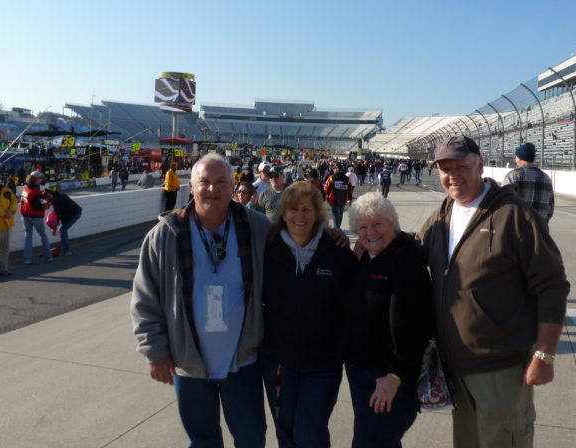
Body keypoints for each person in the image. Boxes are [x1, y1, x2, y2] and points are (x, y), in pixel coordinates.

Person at [418, 136, 569, 448]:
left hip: (501, 368)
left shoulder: (514, 215)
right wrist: (368, 237)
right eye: (445, 168)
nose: (452, 174)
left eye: (461, 166)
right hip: (457, 365)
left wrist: (545, 354)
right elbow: (412, 251)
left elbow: (552, 285)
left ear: (480, 165)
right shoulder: (443, 213)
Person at [131, 153, 271, 448]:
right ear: (191, 188)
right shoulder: (164, 236)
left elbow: (299, 239)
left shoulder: (257, 228)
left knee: (251, 438)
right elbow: (145, 298)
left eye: (221, 182)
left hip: (243, 362)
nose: (212, 189)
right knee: (202, 441)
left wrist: (332, 236)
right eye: (204, 182)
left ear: (232, 187)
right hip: (188, 363)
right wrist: (154, 351)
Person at [260, 181, 357, 448]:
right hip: (278, 361)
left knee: (310, 431)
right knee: (286, 429)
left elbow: (354, 304)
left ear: (318, 214)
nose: (299, 216)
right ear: (283, 213)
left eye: (306, 209)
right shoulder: (268, 249)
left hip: (323, 363)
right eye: (293, 209)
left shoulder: (336, 251)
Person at [344, 192, 431, 448]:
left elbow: (413, 322)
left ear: (392, 223)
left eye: (377, 224)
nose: (370, 231)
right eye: (363, 227)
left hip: (386, 376)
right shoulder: (368, 257)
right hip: (363, 371)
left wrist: (395, 375)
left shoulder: (405, 258)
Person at [502, 142, 555, 222]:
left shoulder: (512, 176)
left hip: (516, 230)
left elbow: (502, 204)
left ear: (519, 157)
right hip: (540, 230)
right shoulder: (546, 178)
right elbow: (550, 209)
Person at [20, 170, 53, 264]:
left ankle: (27, 259)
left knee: (28, 237)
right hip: (36, 217)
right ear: (37, 179)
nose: (42, 180)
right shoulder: (36, 192)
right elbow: (39, 206)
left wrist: (41, 195)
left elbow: (25, 200)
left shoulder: (25, 188)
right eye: (41, 178)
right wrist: (48, 201)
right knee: (43, 236)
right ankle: (48, 256)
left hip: (25, 215)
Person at [48, 190, 83, 256]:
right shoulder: (62, 195)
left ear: (50, 195)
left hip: (73, 214)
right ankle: (65, 249)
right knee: (63, 230)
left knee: (62, 230)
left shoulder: (56, 201)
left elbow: (58, 215)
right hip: (76, 212)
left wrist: (54, 228)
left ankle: (66, 250)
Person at [324, 163, 352, 229]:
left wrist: (324, 196)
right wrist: (349, 199)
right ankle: (338, 227)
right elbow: (350, 189)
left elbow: (326, 188)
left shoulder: (332, 178)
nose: (333, 170)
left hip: (333, 199)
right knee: (340, 214)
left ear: (336, 169)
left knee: (335, 215)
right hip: (343, 199)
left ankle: (337, 229)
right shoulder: (347, 179)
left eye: (334, 168)